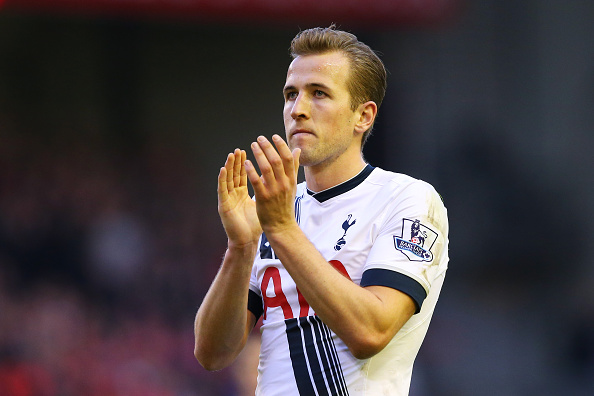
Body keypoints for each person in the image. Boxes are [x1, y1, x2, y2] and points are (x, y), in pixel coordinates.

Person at [194, 26, 449, 396]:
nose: (298, 110)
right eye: (291, 94)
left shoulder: (408, 200)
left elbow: (370, 332)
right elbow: (213, 354)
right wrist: (241, 247)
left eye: (319, 94)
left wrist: (282, 231)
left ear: (363, 116)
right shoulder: (274, 208)